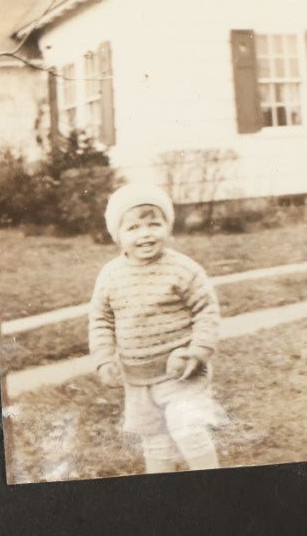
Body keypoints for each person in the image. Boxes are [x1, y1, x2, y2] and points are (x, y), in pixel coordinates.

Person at [88, 183, 225, 474]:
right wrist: (103, 357)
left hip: (181, 371)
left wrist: (197, 351)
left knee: (187, 429)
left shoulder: (183, 269)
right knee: (156, 441)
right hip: (138, 379)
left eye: (154, 224)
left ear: (168, 226)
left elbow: (207, 310)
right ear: (118, 236)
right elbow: (101, 318)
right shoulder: (111, 275)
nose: (145, 234)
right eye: (133, 227)